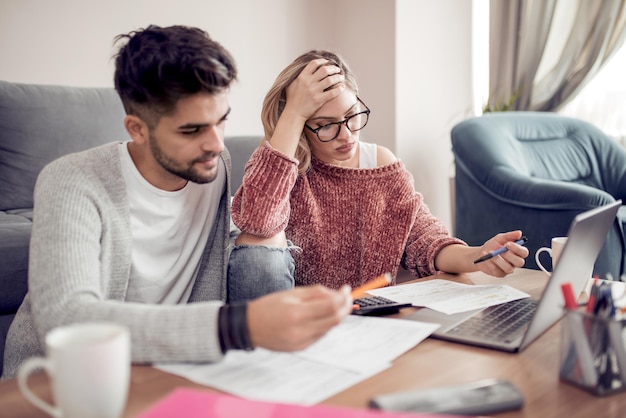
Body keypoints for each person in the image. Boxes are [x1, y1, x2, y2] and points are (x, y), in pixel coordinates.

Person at [1, 27, 352, 380]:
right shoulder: (71, 180)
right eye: (192, 130)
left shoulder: (216, 168)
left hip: (172, 373)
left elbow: (255, 225)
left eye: (221, 120)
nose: (215, 143)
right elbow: (68, 319)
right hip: (61, 384)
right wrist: (238, 325)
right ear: (136, 129)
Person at [230, 50, 529, 297]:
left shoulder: (379, 163)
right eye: (325, 125)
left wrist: (478, 257)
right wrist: (293, 111)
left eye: (351, 116)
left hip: (371, 319)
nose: (346, 135)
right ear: (299, 127)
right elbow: (257, 225)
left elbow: (423, 239)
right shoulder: (277, 168)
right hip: (294, 322)